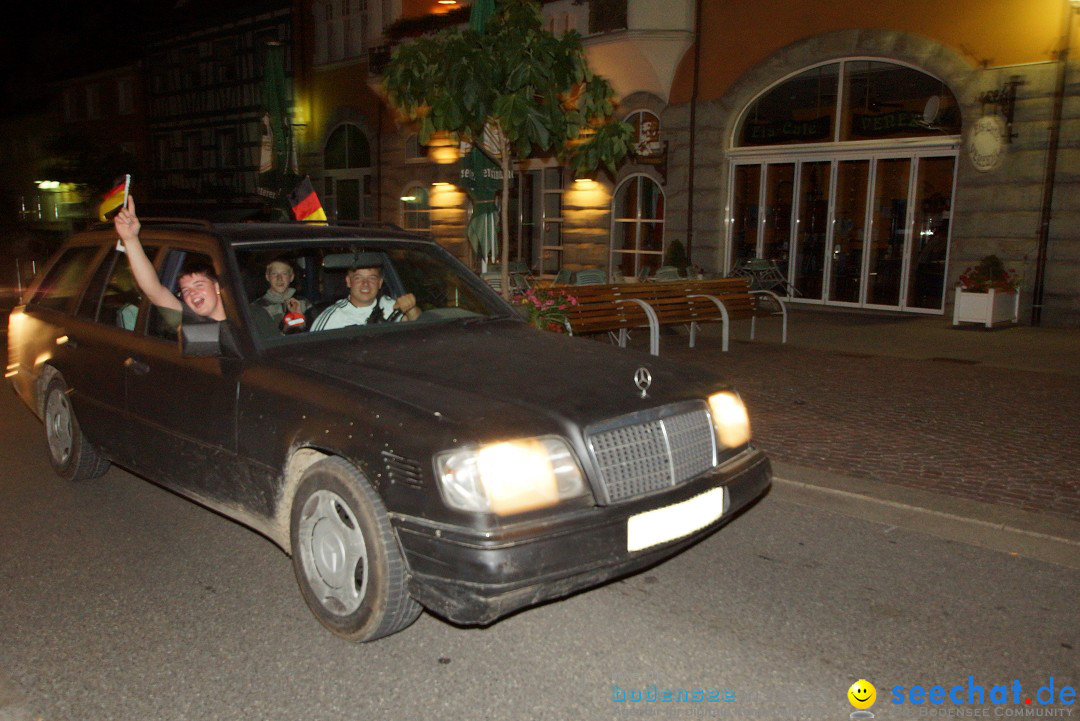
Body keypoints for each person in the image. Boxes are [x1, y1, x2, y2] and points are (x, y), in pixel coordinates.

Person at [113, 197, 227, 323]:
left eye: (199, 285)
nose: (192, 293)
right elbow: (153, 290)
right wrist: (130, 239)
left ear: (217, 286)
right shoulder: (189, 322)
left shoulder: (248, 318)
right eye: (185, 290)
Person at [311, 264, 420, 331]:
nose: (365, 284)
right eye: (358, 278)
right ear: (348, 282)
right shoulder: (332, 318)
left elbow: (419, 329)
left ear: (380, 283)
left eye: (372, 278)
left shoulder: (390, 305)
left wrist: (411, 308)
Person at [250, 258, 310, 335]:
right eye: (274, 274)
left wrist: (301, 319)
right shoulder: (257, 308)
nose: (279, 278)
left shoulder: (304, 302)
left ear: (291, 277)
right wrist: (285, 329)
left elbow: (316, 332)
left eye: (284, 273)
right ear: (267, 277)